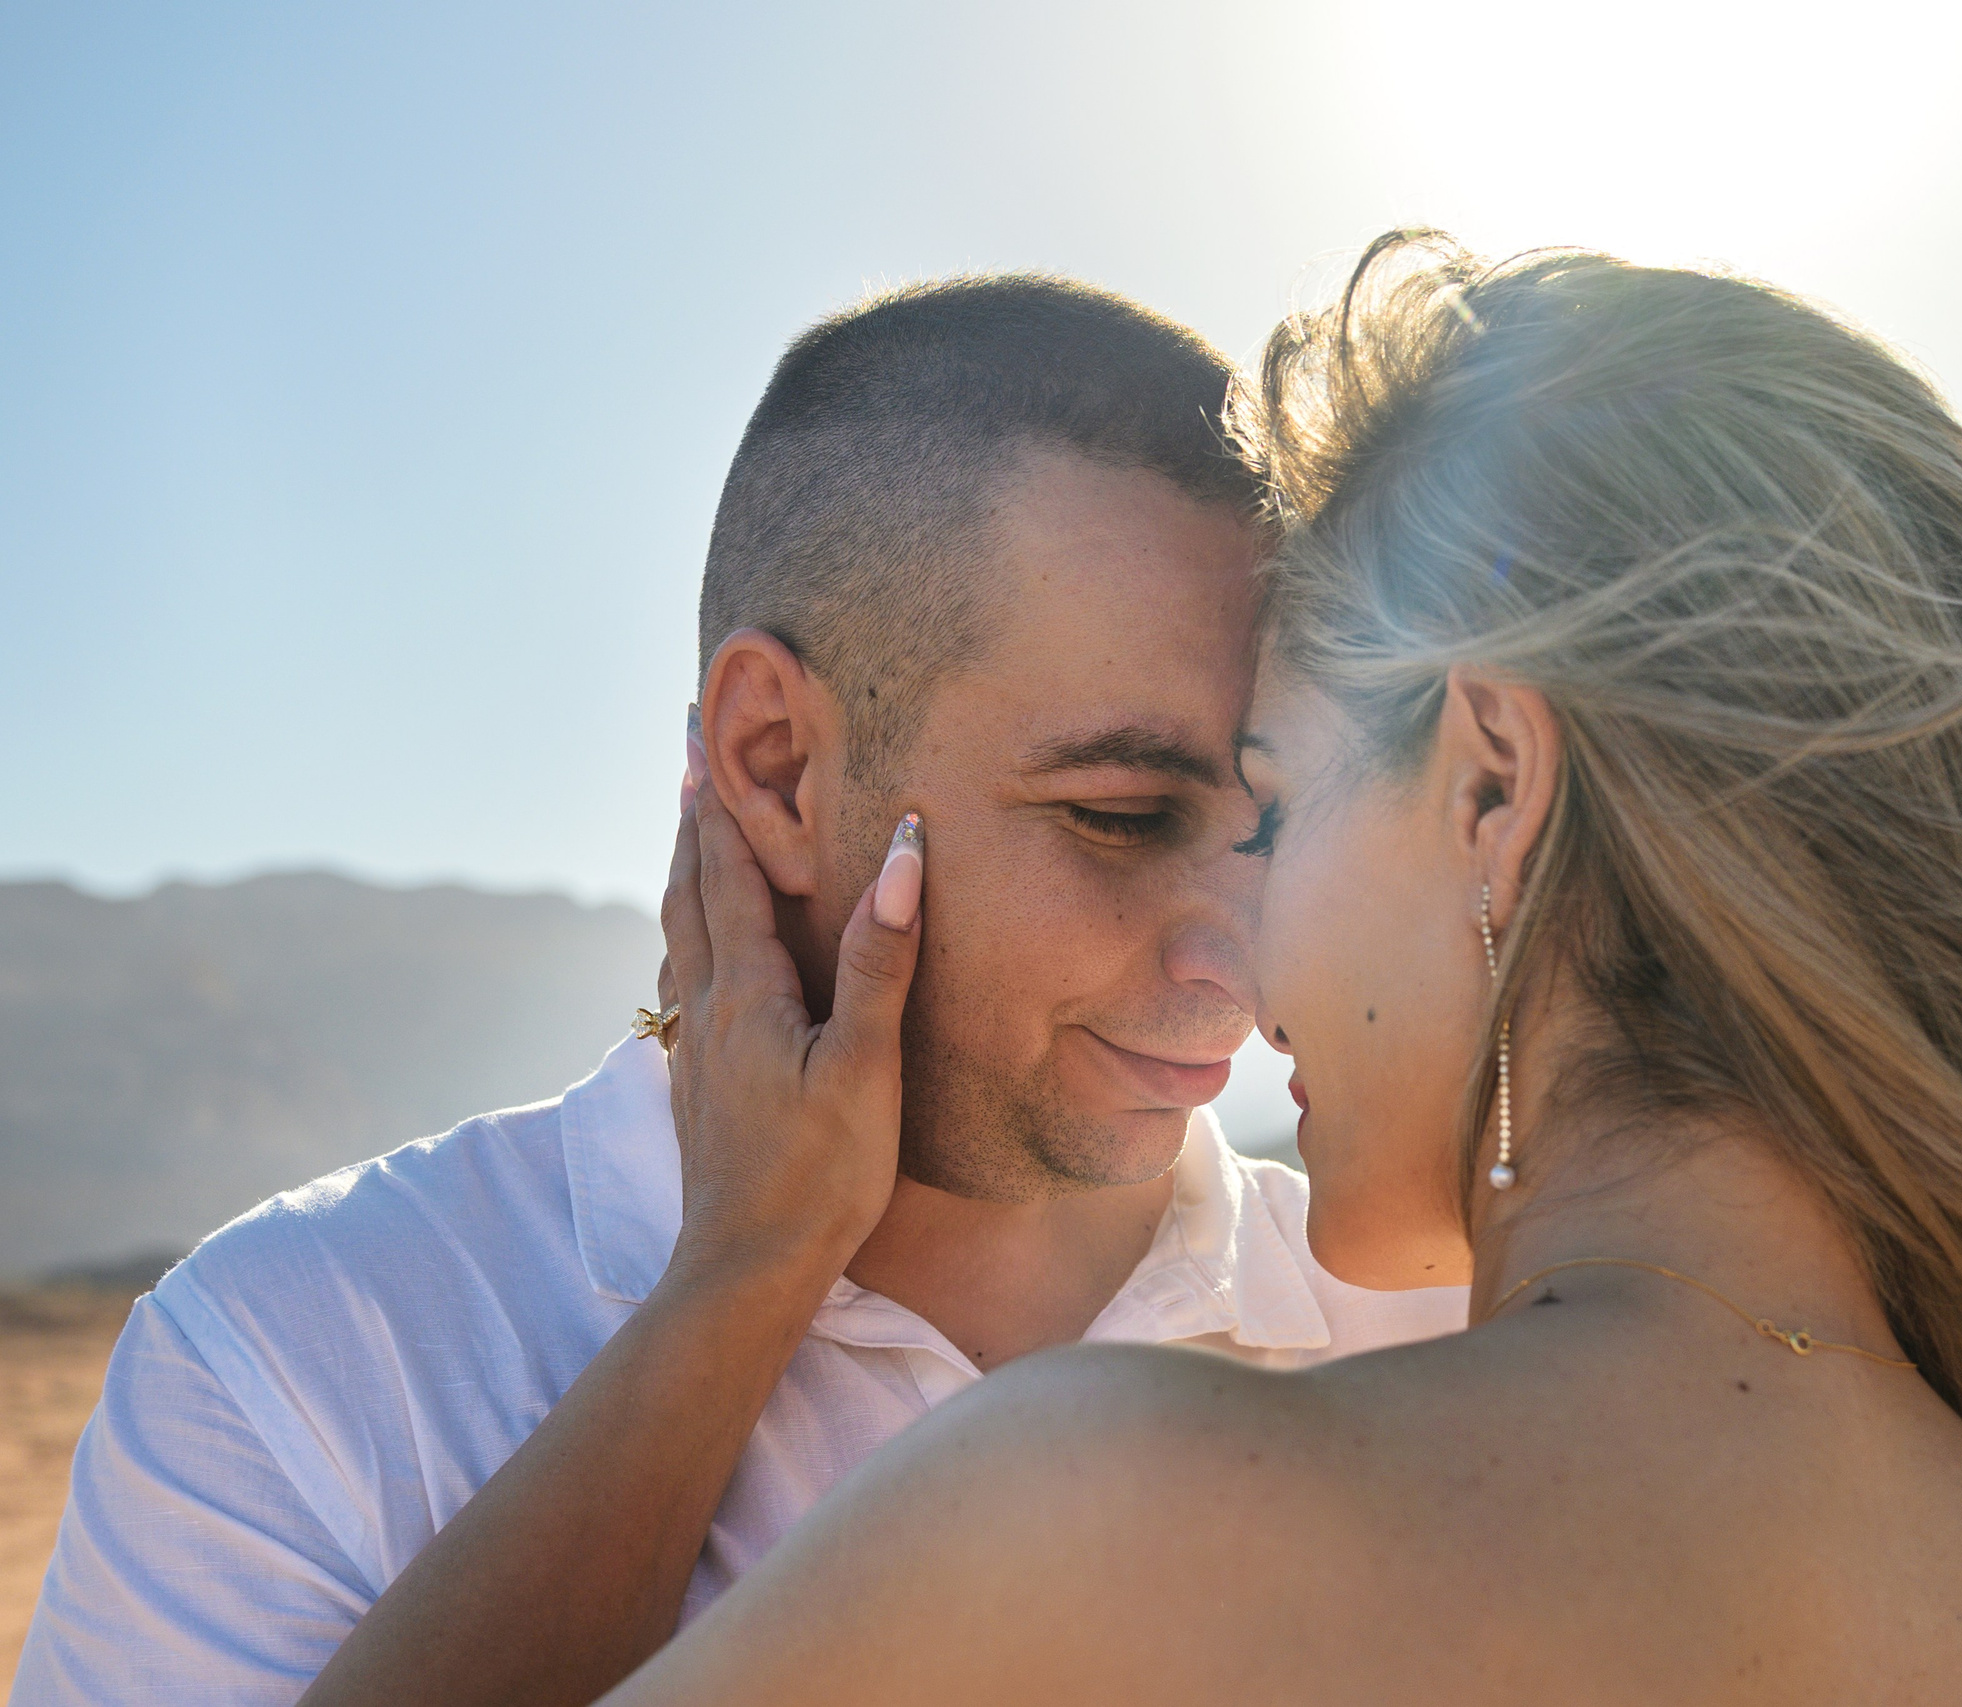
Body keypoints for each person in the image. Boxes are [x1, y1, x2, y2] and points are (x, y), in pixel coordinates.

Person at [593, 233, 1962, 1706]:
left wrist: (736, 1272)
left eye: (1269, 801)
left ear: (1493, 783)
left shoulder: (1110, 1512)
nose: (1238, 958)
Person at [11, 277, 1465, 1706]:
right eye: (1119, 815)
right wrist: (744, 1283)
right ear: (774, 762)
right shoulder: (301, 1364)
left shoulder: (1443, 1346)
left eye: (1274, 824)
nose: (1240, 960)